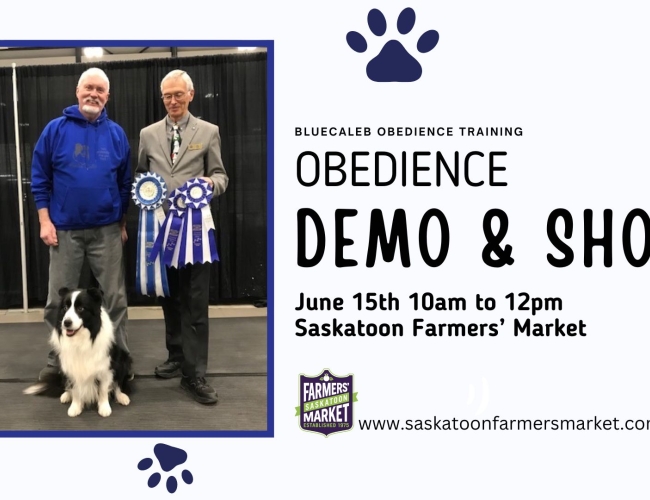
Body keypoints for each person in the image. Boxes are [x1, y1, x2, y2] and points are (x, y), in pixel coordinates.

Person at [31, 67, 131, 379]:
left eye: (100, 90)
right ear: (77, 92)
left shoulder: (116, 134)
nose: (94, 94)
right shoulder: (55, 130)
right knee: (56, 302)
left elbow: (126, 184)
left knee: (114, 300)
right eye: (88, 87)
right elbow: (39, 178)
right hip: (64, 231)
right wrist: (45, 221)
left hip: (107, 231)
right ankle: (59, 360)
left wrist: (122, 222)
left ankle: (118, 359)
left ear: (107, 96)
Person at [137, 69, 228, 405]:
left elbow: (221, 175)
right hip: (161, 230)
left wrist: (210, 185)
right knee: (169, 300)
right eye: (167, 96)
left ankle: (195, 374)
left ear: (191, 94)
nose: (172, 101)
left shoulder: (209, 131)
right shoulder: (147, 135)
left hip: (196, 234)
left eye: (178, 94)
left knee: (195, 304)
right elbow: (141, 177)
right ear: (162, 98)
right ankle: (176, 355)